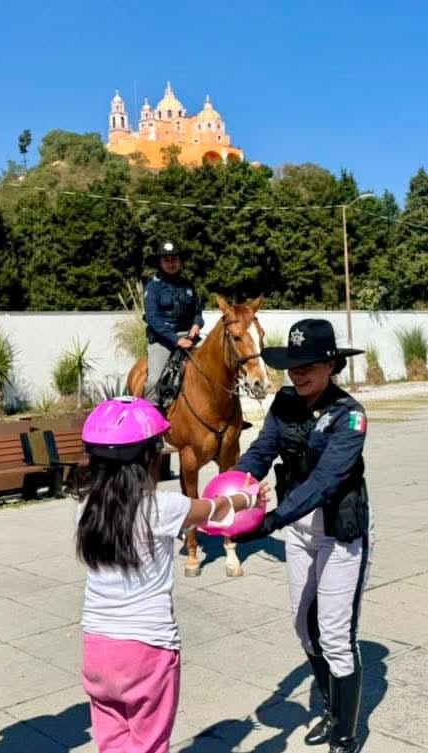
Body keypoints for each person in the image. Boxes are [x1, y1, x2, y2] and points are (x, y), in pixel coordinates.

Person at [74, 396, 266, 753]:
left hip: (96, 649)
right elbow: (216, 509)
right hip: (147, 650)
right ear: (148, 459)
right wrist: (250, 499)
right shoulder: (161, 507)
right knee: (148, 745)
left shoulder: (87, 508)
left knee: (112, 744)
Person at [232, 319, 371, 753]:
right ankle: (330, 709)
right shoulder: (285, 403)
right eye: (293, 364)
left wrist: (270, 521)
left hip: (338, 533)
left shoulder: (351, 416)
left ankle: (344, 738)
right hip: (299, 531)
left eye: (308, 364)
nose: (298, 372)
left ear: (331, 364)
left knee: (335, 635)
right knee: (302, 626)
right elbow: (261, 451)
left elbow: (324, 482)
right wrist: (232, 488)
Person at [144, 240, 204, 403]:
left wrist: (196, 324)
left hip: (189, 337)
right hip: (162, 339)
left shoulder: (188, 285)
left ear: (180, 261)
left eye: (174, 259)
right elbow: (153, 319)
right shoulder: (153, 287)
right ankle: (151, 419)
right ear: (160, 263)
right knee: (154, 381)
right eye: (166, 260)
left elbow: (197, 312)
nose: (171, 263)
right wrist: (176, 340)